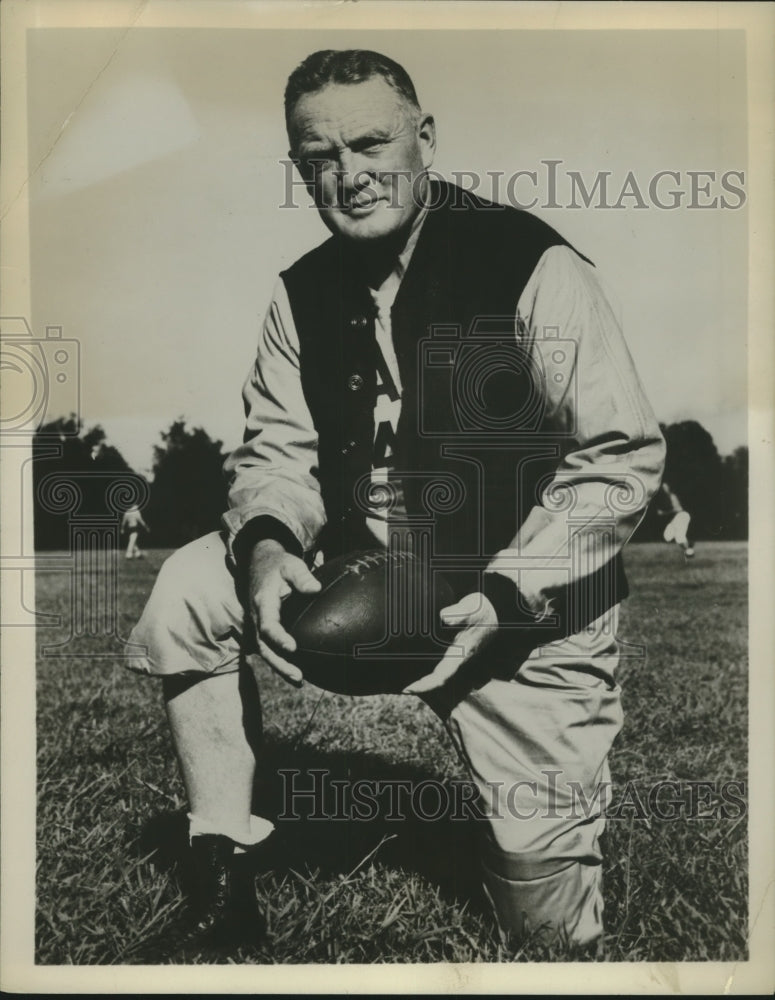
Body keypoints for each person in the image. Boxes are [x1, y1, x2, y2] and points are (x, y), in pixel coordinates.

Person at [127, 49, 665, 952]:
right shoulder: (300, 291)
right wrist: (263, 549)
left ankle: (546, 878)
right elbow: (276, 454)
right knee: (189, 585)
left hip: (522, 610)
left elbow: (618, 457)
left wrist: (505, 590)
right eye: (318, 158)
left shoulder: (526, 260)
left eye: (371, 143)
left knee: (549, 937)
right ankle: (223, 888)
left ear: (425, 139)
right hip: (362, 568)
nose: (349, 174)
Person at [655, 480, 695, 557]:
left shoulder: (672, 496)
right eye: (662, 487)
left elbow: (678, 509)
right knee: (667, 537)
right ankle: (689, 547)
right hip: (678, 517)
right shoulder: (666, 498)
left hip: (682, 516)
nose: (663, 488)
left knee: (679, 537)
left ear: (668, 488)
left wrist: (663, 513)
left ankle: (689, 552)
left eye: (664, 487)